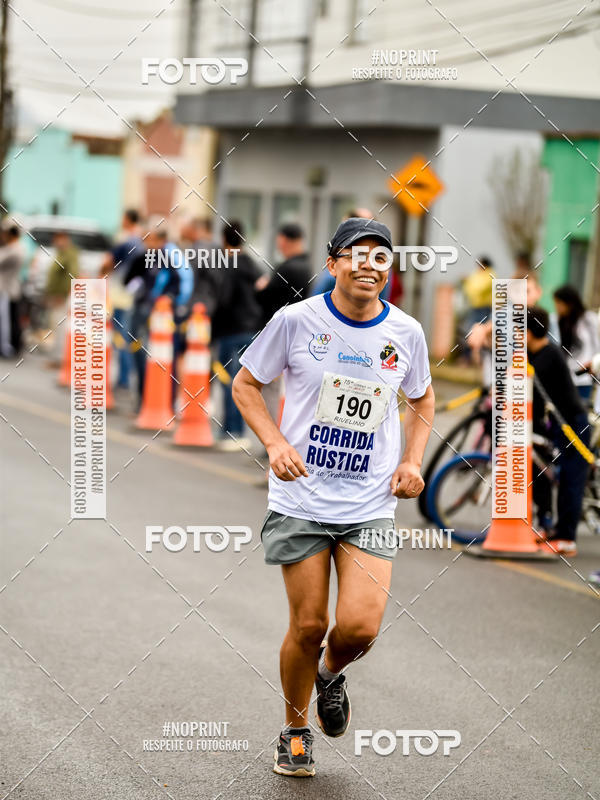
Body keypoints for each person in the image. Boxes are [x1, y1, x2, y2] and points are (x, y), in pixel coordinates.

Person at [232, 217, 435, 777]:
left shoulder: (407, 333)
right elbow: (246, 384)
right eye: (357, 254)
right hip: (301, 500)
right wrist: (273, 443)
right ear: (333, 264)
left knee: (361, 628)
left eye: (380, 257)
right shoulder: (296, 321)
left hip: (369, 503)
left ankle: (328, 674)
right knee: (306, 625)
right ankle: (295, 731)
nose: (369, 264)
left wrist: (413, 459)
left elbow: (420, 398)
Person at [527, 305, 591, 556]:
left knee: (570, 481)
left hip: (574, 424)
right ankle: (550, 526)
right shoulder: (535, 355)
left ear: (528, 332)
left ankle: (567, 539)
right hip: (558, 425)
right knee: (543, 469)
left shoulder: (548, 355)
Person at [212, 220, 262, 449]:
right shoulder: (251, 263)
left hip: (229, 329)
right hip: (251, 328)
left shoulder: (227, 264)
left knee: (229, 381)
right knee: (246, 382)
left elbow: (223, 299)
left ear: (223, 239)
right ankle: (240, 430)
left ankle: (231, 431)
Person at [102, 209, 145, 389]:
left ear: (127, 220)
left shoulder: (125, 239)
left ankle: (124, 378)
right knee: (128, 336)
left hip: (120, 296)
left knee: (121, 337)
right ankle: (126, 376)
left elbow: (108, 262)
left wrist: (101, 274)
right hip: (134, 296)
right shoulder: (142, 241)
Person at [552, 285, 600, 403]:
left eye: (559, 303)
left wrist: (595, 364)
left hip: (583, 376)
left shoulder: (589, 319)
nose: (557, 307)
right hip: (565, 377)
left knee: (580, 413)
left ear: (570, 303)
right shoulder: (557, 320)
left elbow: (596, 344)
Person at [45, 231, 79, 366]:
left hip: (62, 296)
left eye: (59, 240)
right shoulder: (62, 253)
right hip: (56, 295)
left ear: (65, 239)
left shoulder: (70, 254)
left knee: (60, 328)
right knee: (56, 326)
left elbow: (72, 275)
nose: (56, 243)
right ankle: (57, 358)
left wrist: (64, 294)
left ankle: (59, 359)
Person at [0, 224, 25, 357]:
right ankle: (13, 345)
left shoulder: (15, 250)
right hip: (8, 289)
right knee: (12, 319)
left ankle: (11, 346)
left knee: (9, 321)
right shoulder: (12, 248)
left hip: (9, 290)